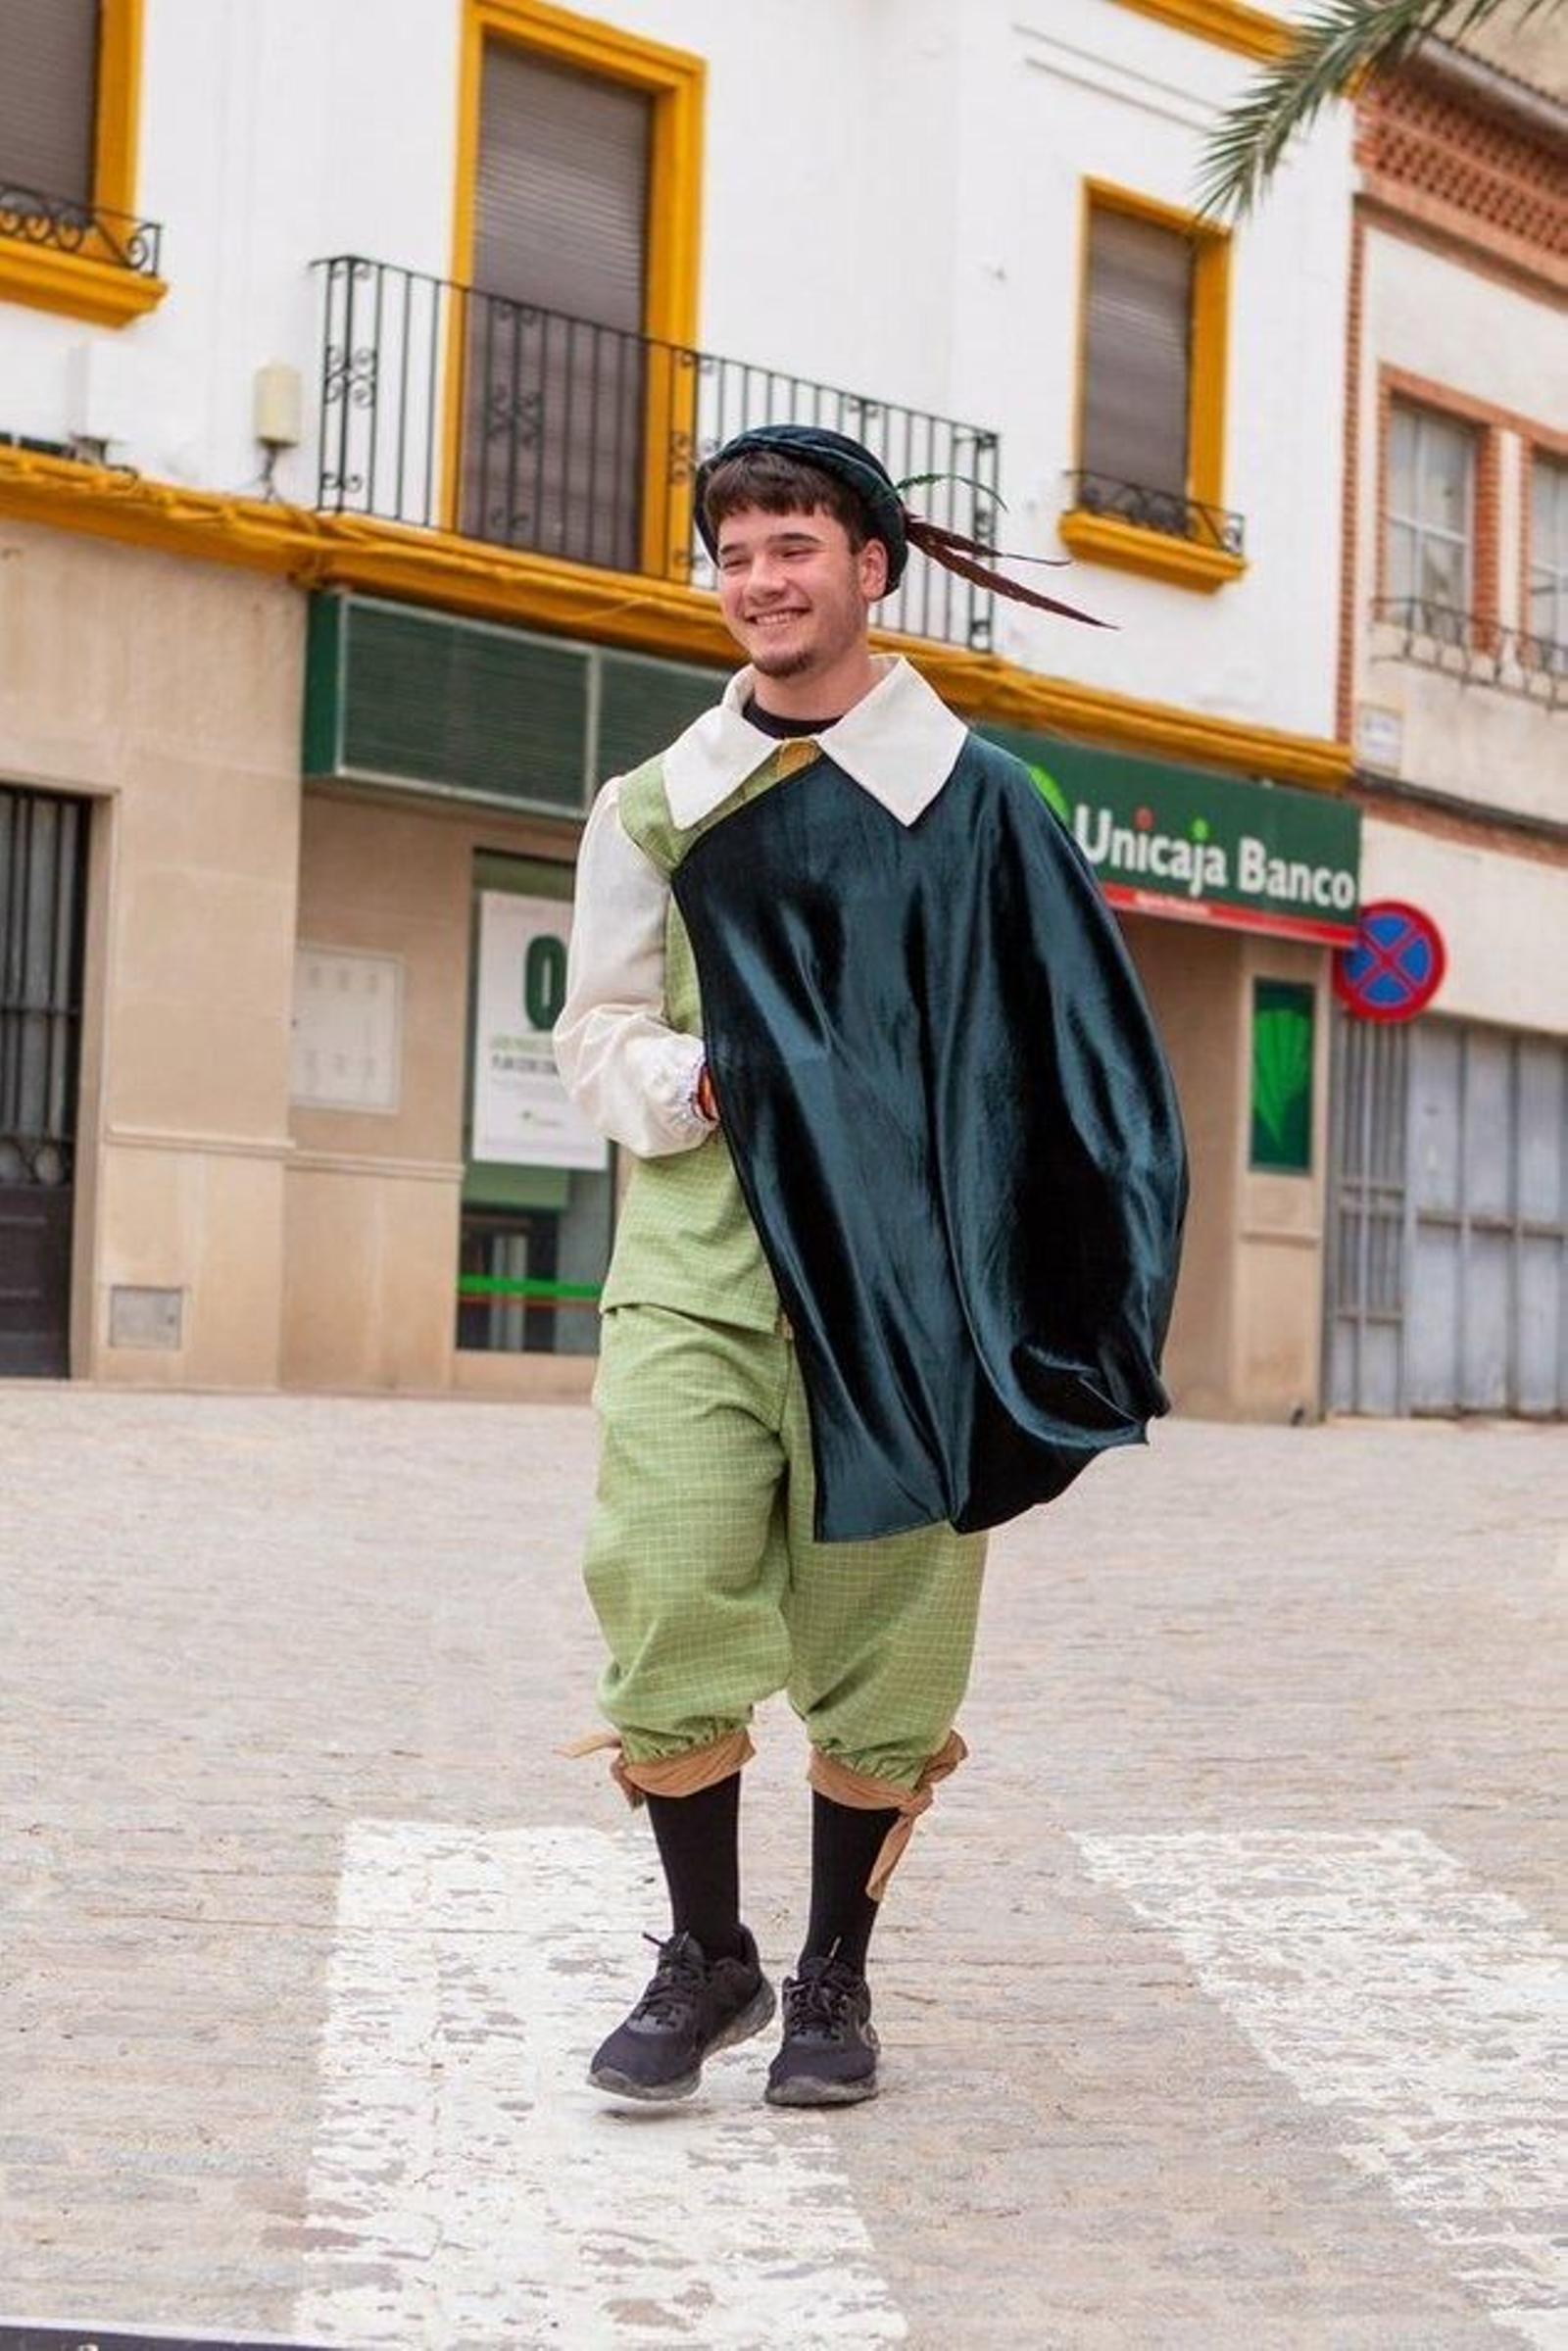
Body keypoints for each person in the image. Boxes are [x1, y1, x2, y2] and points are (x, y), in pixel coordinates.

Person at [554, 424, 1186, 2108]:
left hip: (910, 1289)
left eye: (795, 549)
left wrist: (1067, 1286)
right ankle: (708, 1955)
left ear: (871, 568)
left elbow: (1069, 1057)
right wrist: (701, 1081)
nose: (761, 582)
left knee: (885, 1633)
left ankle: (833, 1972)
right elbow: (596, 1027)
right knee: (663, 1576)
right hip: (698, 1261)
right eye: (736, 555)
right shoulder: (658, 804)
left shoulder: (984, 806)